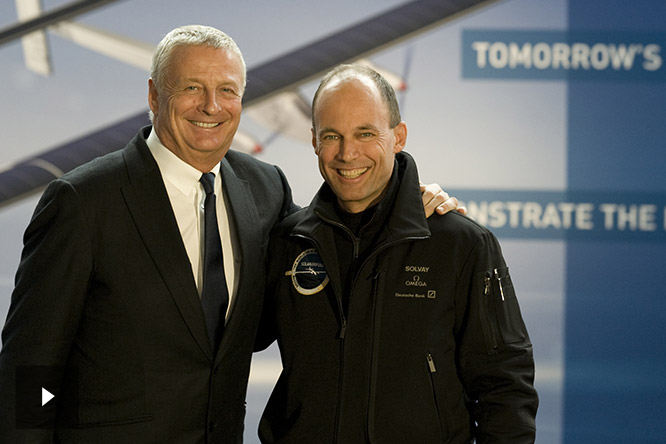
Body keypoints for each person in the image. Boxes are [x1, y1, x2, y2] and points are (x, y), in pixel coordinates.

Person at [0, 25, 459, 443]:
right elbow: (28, 371)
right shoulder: (81, 202)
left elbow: (337, 252)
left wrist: (410, 200)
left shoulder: (265, 189)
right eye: (192, 89)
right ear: (155, 95)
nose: (211, 106)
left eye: (227, 91)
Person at [255, 64, 539, 443]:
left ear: (398, 136)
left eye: (365, 133)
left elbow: (505, 390)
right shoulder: (289, 242)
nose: (347, 153)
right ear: (314, 141)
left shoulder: (460, 244)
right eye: (332, 136)